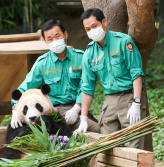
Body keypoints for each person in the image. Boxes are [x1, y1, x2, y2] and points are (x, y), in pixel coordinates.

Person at [74, 8, 146, 149]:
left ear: (104, 22)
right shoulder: (89, 53)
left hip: (129, 98)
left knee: (133, 146)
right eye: (88, 29)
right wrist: (83, 118)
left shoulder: (124, 42)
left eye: (94, 26)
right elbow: (87, 87)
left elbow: (136, 73)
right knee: (107, 148)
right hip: (109, 102)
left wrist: (136, 103)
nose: (92, 31)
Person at [11, 19, 100, 133]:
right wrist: (15, 111)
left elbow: (85, 85)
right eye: (50, 39)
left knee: (98, 129)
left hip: (77, 108)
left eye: (58, 36)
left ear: (65, 35)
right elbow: (24, 88)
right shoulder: (42, 63)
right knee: (94, 130)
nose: (55, 41)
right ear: (45, 41)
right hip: (53, 111)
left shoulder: (81, 57)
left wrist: (76, 108)